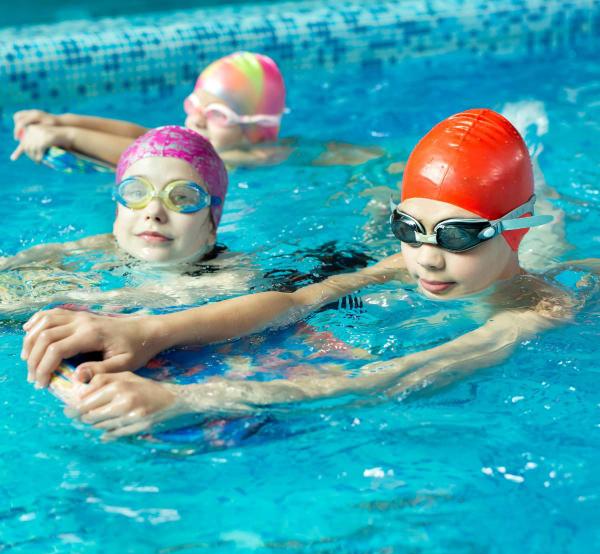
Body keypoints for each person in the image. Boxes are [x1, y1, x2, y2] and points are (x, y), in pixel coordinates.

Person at [22, 108, 597, 440]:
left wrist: (191, 398)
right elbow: (298, 300)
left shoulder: (533, 314)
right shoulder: (410, 259)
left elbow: (395, 375)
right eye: (409, 225)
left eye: (458, 235)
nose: (425, 257)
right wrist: (150, 331)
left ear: (512, 228)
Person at [1, 125, 246, 318]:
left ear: (212, 226)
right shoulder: (107, 244)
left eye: (181, 198)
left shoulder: (231, 279)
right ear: (117, 215)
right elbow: (54, 251)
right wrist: (11, 263)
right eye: (137, 192)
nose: (153, 212)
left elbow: (166, 297)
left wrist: (43, 300)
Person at [10, 52, 287, 167]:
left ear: (257, 131)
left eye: (217, 114)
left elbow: (158, 157)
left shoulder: (255, 155)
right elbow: (148, 136)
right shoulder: (217, 145)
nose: (197, 120)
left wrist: (68, 137)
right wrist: (61, 121)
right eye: (195, 106)